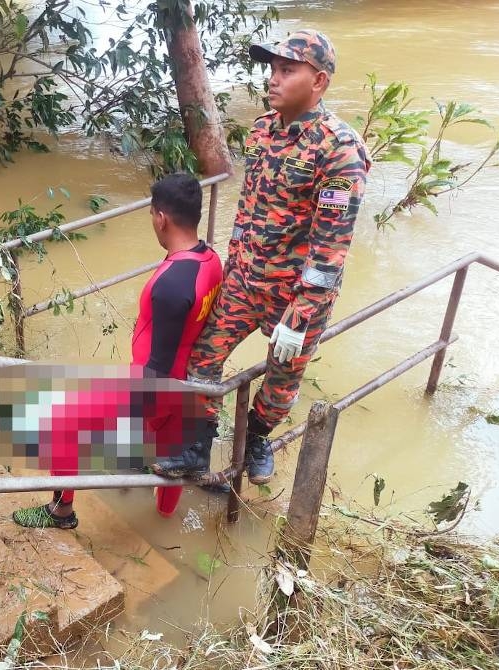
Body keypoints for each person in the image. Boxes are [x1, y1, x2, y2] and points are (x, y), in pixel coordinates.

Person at [152, 29, 370, 487]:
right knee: (202, 357)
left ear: (319, 82)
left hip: (294, 296)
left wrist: (303, 311)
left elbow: (331, 244)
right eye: (272, 69)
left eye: (287, 70)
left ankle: (257, 436)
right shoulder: (260, 131)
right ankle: (196, 447)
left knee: (282, 377)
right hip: (244, 281)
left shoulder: (339, 150)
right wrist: (227, 265)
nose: (273, 79)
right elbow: (250, 208)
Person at [11, 172, 222, 529]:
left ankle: (61, 512)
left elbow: (157, 370)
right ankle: (165, 518)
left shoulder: (172, 282)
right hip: (191, 388)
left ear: (160, 218)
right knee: (172, 440)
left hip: (159, 388)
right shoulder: (212, 261)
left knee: (60, 420)